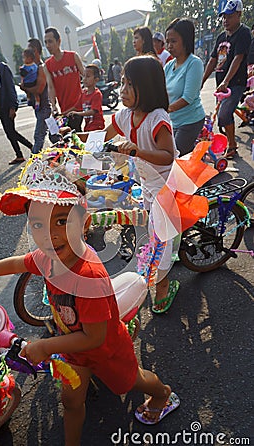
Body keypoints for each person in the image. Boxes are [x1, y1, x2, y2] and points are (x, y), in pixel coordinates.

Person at [0, 156, 180, 446]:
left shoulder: (89, 276)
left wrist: (45, 346)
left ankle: (162, 393)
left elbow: (94, 336)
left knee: (131, 382)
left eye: (61, 222)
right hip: (74, 350)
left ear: (83, 223)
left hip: (106, 349)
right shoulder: (47, 257)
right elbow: (17, 263)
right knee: (71, 401)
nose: (49, 234)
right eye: (37, 223)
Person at [79, 55, 180, 314]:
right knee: (148, 230)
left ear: (146, 87)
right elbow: (102, 138)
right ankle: (159, 270)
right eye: (122, 83)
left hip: (166, 187)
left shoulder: (157, 118)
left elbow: (168, 155)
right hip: (147, 184)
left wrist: (135, 151)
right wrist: (74, 145)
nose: (122, 90)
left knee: (160, 240)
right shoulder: (125, 115)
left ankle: (163, 287)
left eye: (129, 85)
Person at [201, 0, 251, 159]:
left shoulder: (243, 33)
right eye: (223, 17)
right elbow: (213, 60)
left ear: (239, 14)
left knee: (223, 114)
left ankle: (232, 146)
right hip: (221, 84)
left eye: (229, 16)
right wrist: (201, 81)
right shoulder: (221, 36)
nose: (225, 20)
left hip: (234, 83)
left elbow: (238, 58)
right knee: (220, 115)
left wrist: (226, 81)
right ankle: (240, 121)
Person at [0, 38, 33, 165]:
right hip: (0, 107)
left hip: (7, 105)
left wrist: (13, 107)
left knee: (11, 132)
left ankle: (32, 147)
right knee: (9, 133)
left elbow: (10, 88)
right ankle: (19, 155)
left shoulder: (2, 68)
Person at [164, 18, 205, 156]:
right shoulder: (169, 66)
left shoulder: (194, 63)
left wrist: (166, 109)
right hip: (173, 121)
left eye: (173, 41)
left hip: (191, 121)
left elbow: (188, 98)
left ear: (186, 40)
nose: (169, 46)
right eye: (167, 42)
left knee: (174, 157)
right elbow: (160, 91)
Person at [44, 27, 85, 131]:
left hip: (78, 107)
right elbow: (51, 87)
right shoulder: (47, 65)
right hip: (64, 109)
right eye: (45, 42)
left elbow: (85, 75)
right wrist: (53, 106)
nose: (48, 45)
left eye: (50, 41)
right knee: (70, 137)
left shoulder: (73, 56)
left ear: (59, 41)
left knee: (74, 133)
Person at [23, 38, 52, 154]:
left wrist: (25, 87)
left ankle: (33, 167)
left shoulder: (41, 67)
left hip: (45, 107)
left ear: (35, 51)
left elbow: (39, 89)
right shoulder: (31, 68)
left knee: (38, 137)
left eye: (29, 49)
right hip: (39, 108)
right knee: (54, 135)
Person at [66, 64, 105, 132]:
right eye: (84, 76)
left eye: (88, 76)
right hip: (87, 127)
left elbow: (93, 111)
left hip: (97, 127)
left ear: (96, 80)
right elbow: (76, 107)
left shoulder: (97, 94)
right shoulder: (83, 93)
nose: (84, 79)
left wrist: (77, 113)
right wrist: (64, 113)